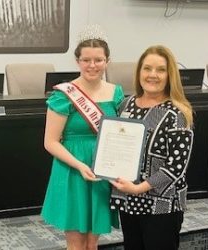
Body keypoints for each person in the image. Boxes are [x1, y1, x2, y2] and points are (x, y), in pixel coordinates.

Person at [41, 28, 124, 250]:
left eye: (98, 60)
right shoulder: (64, 94)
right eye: (86, 60)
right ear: (77, 61)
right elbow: (50, 142)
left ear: (108, 61)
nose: (92, 65)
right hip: (73, 168)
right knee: (76, 242)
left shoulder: (116, 93)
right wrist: (79, 165)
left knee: (92, 241)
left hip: (101, 168)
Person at [110, 45, 194, 250]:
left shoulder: (177, 113)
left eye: (160, 70)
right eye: (147, 68)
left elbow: (175, 168)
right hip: (129, 200)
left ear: (170, 75)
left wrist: (139, 188)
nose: (152, 75)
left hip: (162, 206)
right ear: (139, 72)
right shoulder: (126, 105)